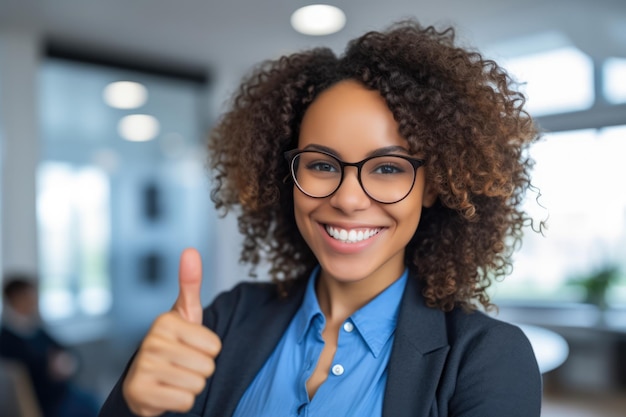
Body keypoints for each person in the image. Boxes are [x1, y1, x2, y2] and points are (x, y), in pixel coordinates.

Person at [100, 20, 543, 417]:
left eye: (388, 168)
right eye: (322, 165)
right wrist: (134, 408)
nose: (348, 200)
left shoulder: (485, 358)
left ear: (433, 186)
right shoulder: (226, 320)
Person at [0, 274, 101, 417]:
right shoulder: (7, 337)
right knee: (91, 405)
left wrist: (66, 362)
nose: (34, 301)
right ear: (15, 299)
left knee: (93, 399)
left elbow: (65, 350)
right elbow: (27, 369)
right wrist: (51, 365)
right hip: (45, 401)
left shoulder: (35, 328)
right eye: (29, 296)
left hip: (62, 392)